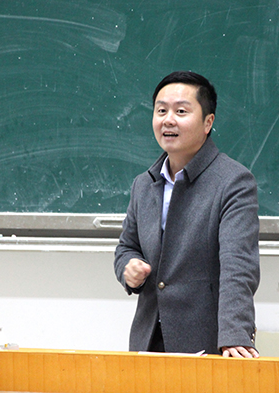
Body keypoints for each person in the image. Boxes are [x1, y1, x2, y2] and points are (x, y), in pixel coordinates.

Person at [114, 71, 260, 358]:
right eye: (161, 111)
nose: (168, 120)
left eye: (181, 111)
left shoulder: (233, 182)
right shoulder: (144, 184)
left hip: (206, 342)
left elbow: (238, 265)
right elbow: (127, 246)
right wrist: (128, 268)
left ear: (208, 122)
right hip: (147, 341)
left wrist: (235, 334)